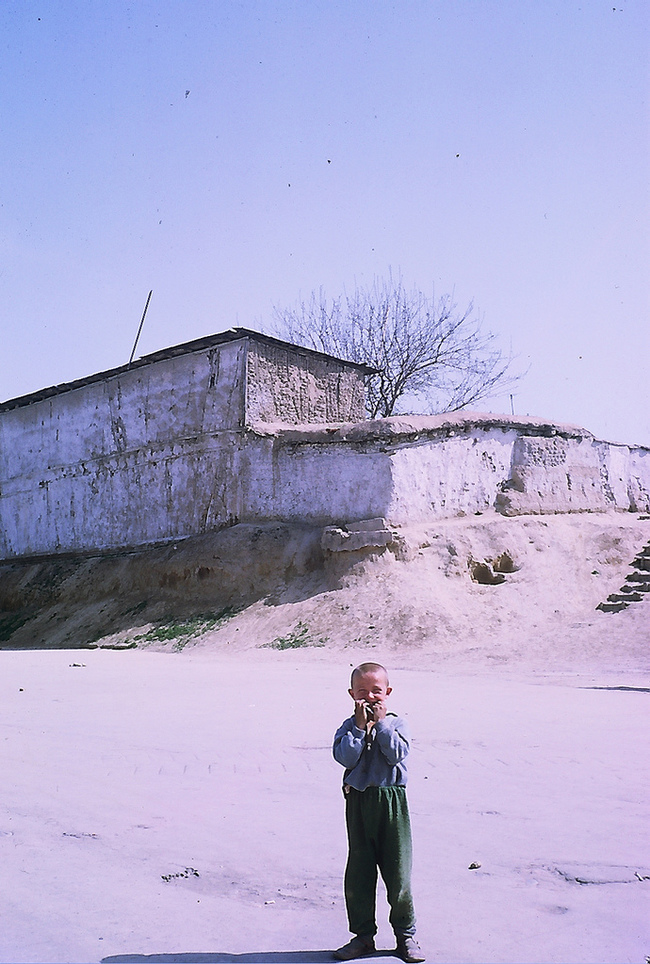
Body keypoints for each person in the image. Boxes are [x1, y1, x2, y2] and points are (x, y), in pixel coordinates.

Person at [332, 662, 425, 963]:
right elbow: (345, 757)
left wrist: (382, 724)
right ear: (351, 694)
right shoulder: (348, 727)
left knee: (398, 871)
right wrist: (359, 728)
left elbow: (397, 753)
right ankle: (362, 937)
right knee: (359, 871)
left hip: (391, 802)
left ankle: (405, 935)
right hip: (359, 803)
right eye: (362, 692)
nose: (370, 698)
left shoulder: (398, 724)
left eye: (376, 691)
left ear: (388, 692)